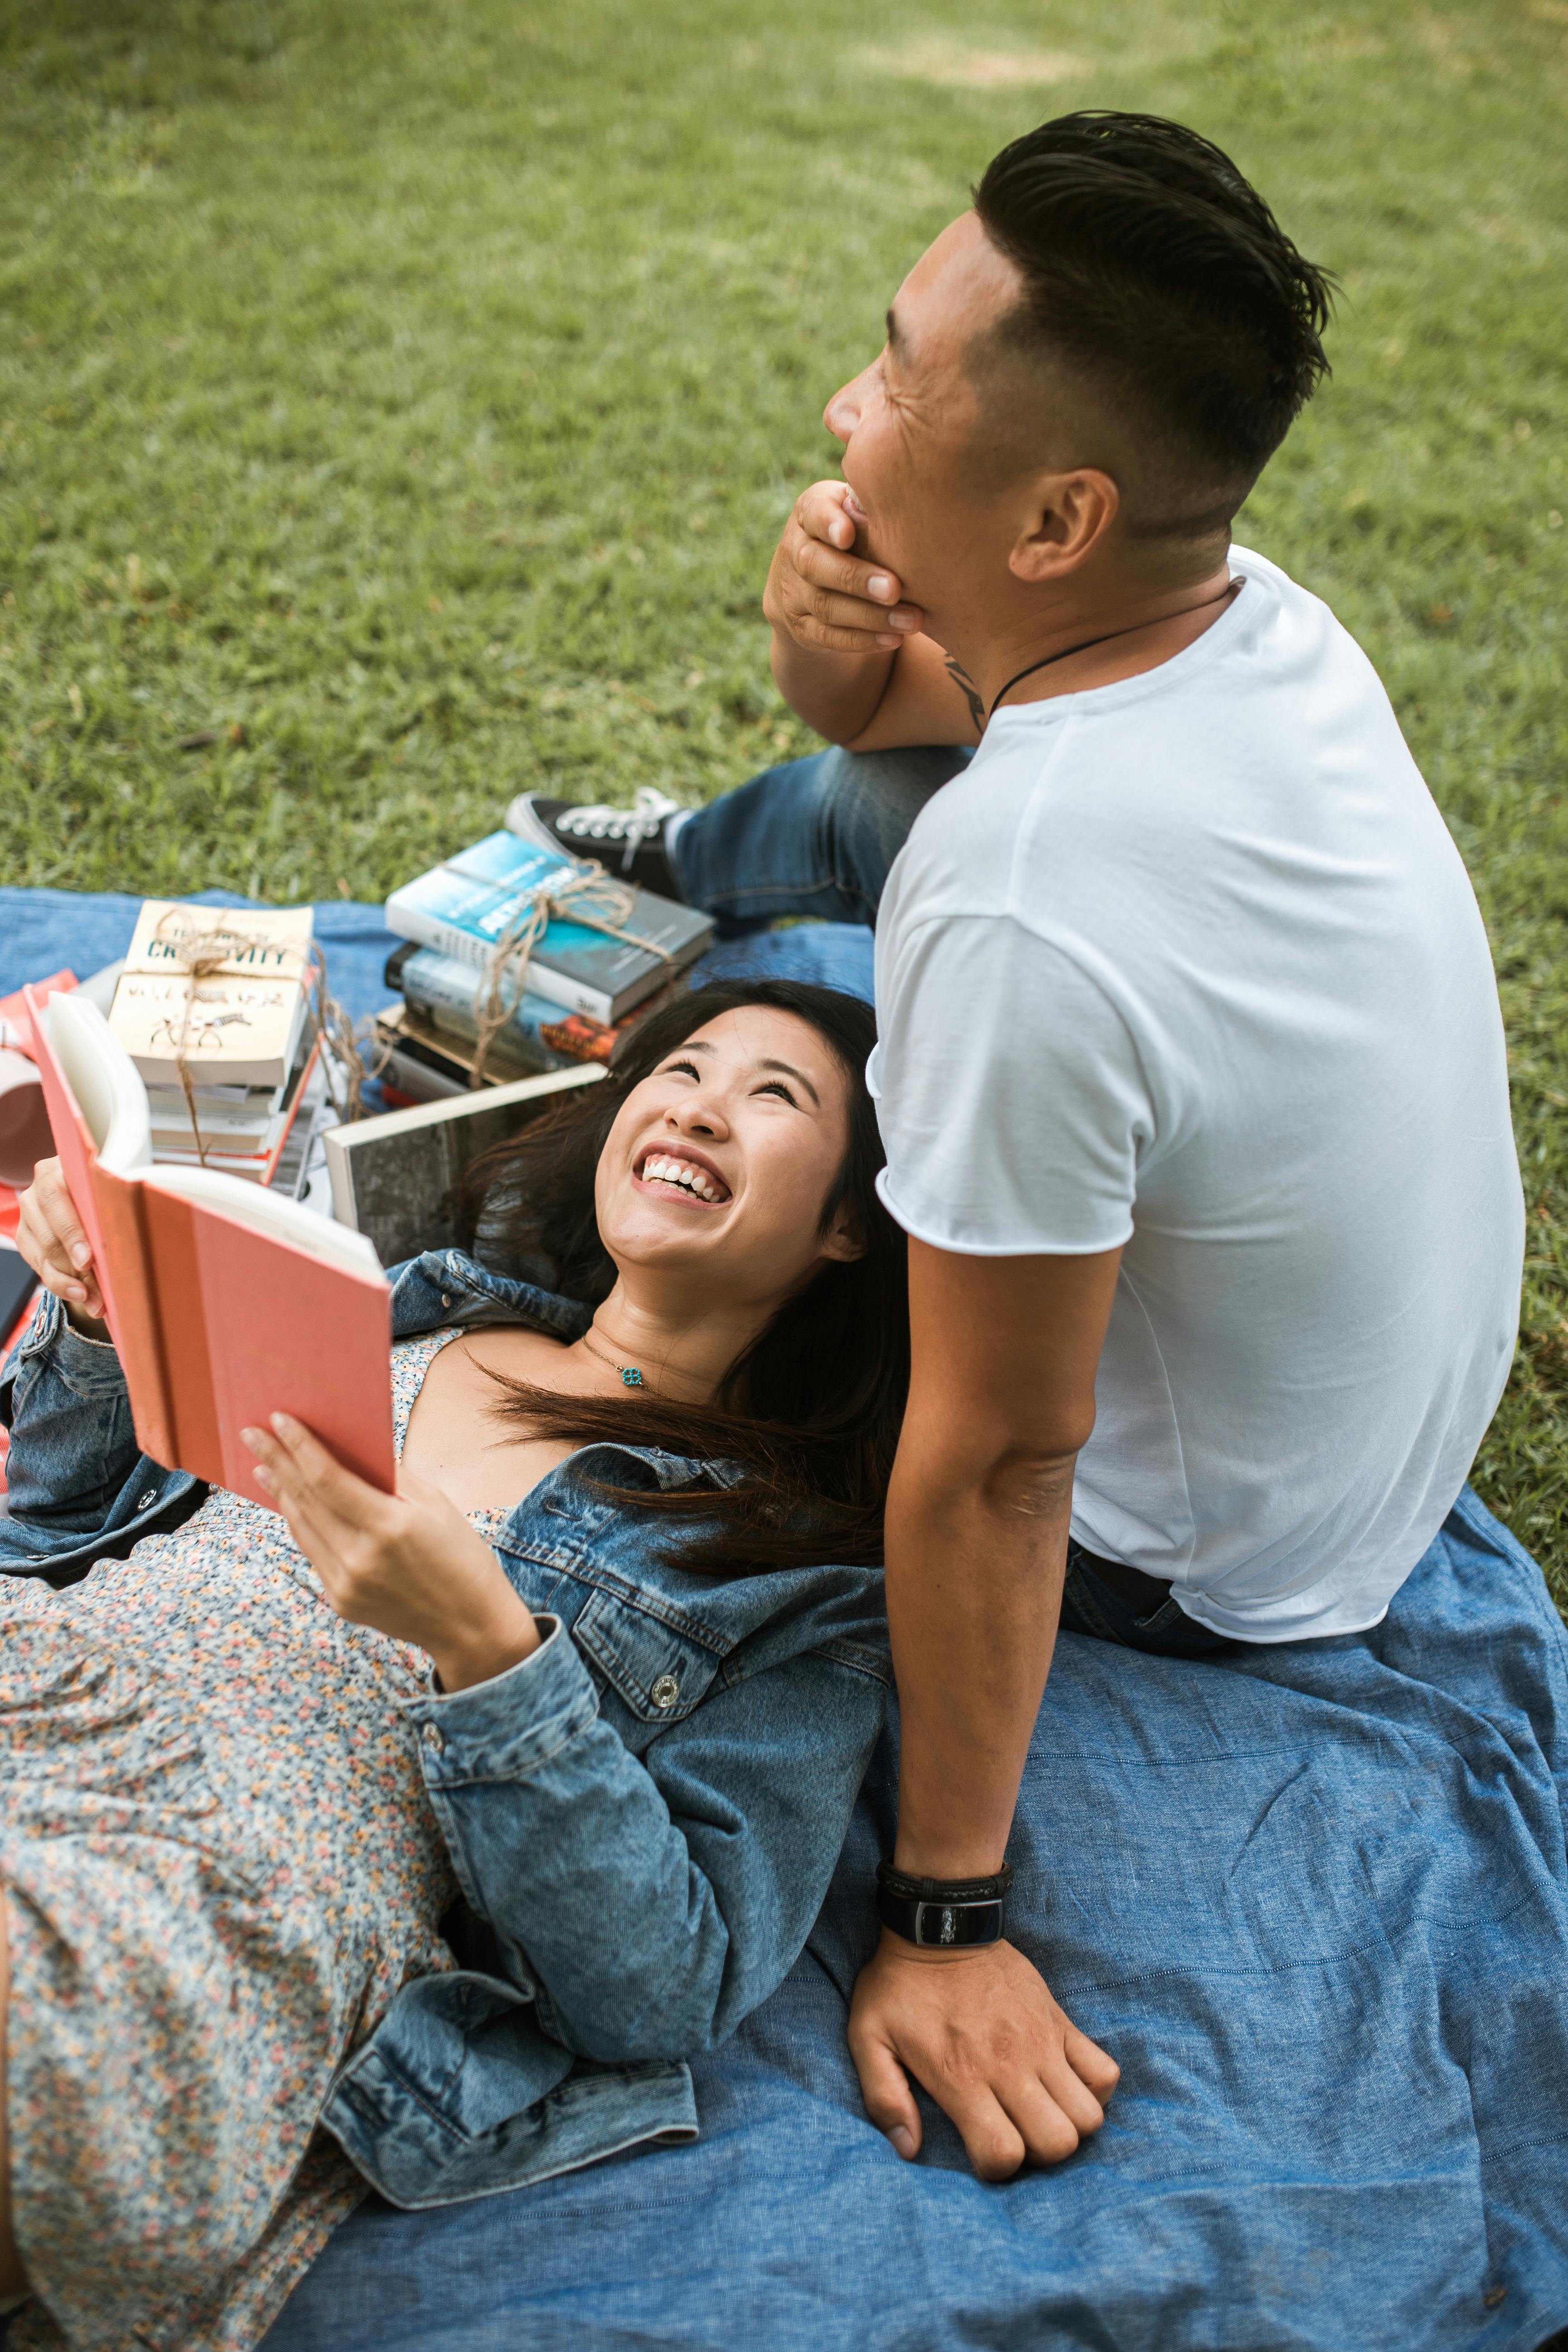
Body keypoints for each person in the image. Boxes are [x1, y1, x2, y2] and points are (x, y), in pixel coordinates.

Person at [512, 112, 1526, 2180]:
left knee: (667, 1308)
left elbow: (1004, 1459)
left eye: (894, 373)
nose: (841, 403)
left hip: (1200, 1554)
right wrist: (819, 631)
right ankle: (693, 857)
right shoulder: (1242, 614)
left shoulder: (1029, 905)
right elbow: (897, 717)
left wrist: (948, 1908)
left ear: (1058, 514)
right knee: (863, 812)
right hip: (1378, 1431)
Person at [0, 981, 1011, 2352]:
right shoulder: (423, 1305)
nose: (697, 1102)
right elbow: (52, 1524)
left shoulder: (787, 1581)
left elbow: (660, 1988)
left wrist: (486, 1656)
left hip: (231, 1861)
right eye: (681, 1066)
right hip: (47, 1674)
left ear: (848, 1221)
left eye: (775, 1096)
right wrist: (100, 1323)